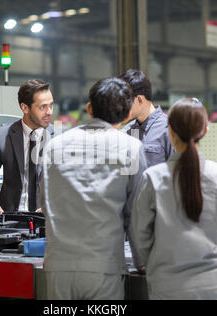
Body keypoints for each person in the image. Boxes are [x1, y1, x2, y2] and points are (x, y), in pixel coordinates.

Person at [40, 77, 147, 300]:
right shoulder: (131, 148)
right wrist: (140, 260)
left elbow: (45, 202)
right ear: (127, 114)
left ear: (89, 108)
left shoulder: (54, 146)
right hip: (103, 268)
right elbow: (136, 214)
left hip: (58, 267)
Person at [130, 98, 217, 300]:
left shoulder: (152, 179)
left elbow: (140, 238)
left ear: (170, 132)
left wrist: (158, 263)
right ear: (205, 131)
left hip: (168, 287)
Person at [0, 79, 55, 215]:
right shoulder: (2, 136)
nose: (49, 112)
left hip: (47, 221)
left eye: (51, 105)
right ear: (24, 107)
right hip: (11, 222)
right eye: (43, 107)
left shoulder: (60, 138)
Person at [120, 69, 173, 167]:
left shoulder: (170, 129)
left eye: (125, 103)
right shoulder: (127, 131)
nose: (122, 107)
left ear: (139, 99)